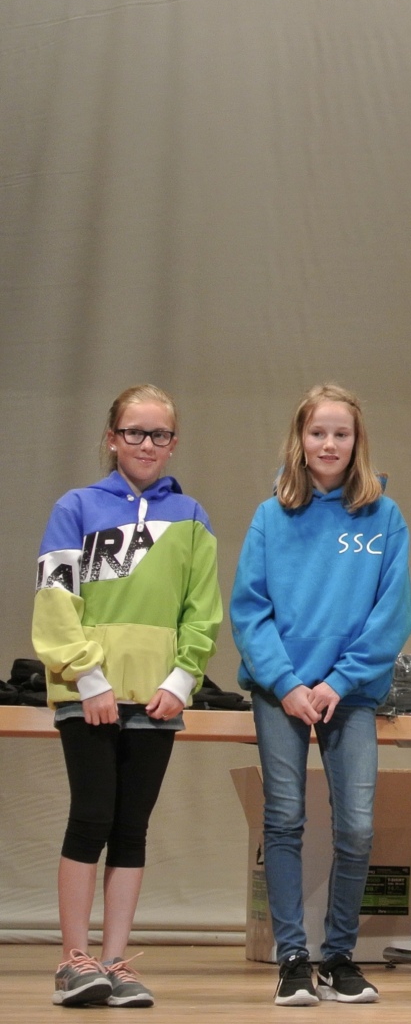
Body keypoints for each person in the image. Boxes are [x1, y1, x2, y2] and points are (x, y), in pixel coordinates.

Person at [33, 385, 221, 1008]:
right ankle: (73, 960)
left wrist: (181, 680)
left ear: (173, 443)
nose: (146, 444)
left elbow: (201, 610)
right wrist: (89, 679)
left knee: (132, 828)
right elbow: (56, 600)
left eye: (159, 434)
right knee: (91, 818)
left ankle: (115, 961)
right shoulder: (76, 506)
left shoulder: (192, 517)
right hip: (89, 693)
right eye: (134, 432)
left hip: (158, 697)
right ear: (112, 438)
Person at [232, 384, 411, 1005]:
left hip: (350, 692)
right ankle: (292, 959)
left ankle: (338, 957)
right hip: (279, 690)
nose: (329, 444)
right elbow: (250, 610)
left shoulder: (383, 517)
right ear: (300, 440)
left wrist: (338, 681)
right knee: (283, 820)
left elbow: (392, 614)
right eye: (318, 433)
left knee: (357, 827)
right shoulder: (270, 516)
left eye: (341, 433)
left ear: (357, 441)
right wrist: (287, 685)